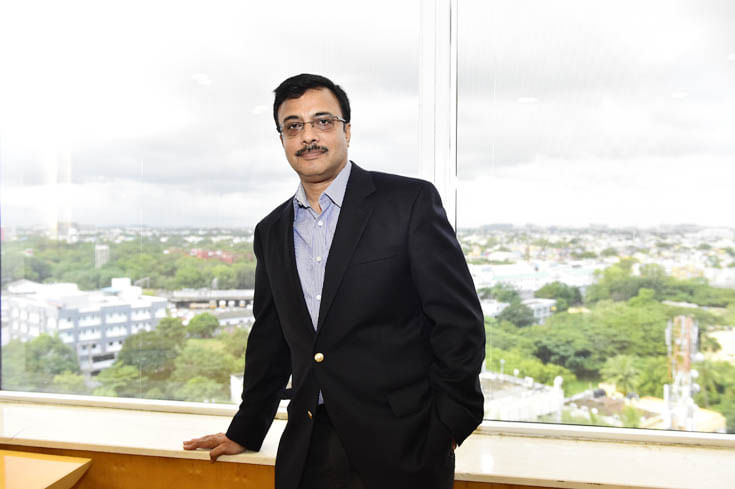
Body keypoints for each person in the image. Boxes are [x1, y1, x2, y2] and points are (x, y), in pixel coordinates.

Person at [183, 73, 485, 489]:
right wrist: (246, 428)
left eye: (322, 122)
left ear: (347, 131)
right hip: (309, 447)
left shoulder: (408, 202)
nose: (308, 136)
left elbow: (458, 322)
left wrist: (449, 424)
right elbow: (270, 338)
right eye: (293, 126)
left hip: (404, 444)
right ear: (282, 139)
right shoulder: (271, 231)